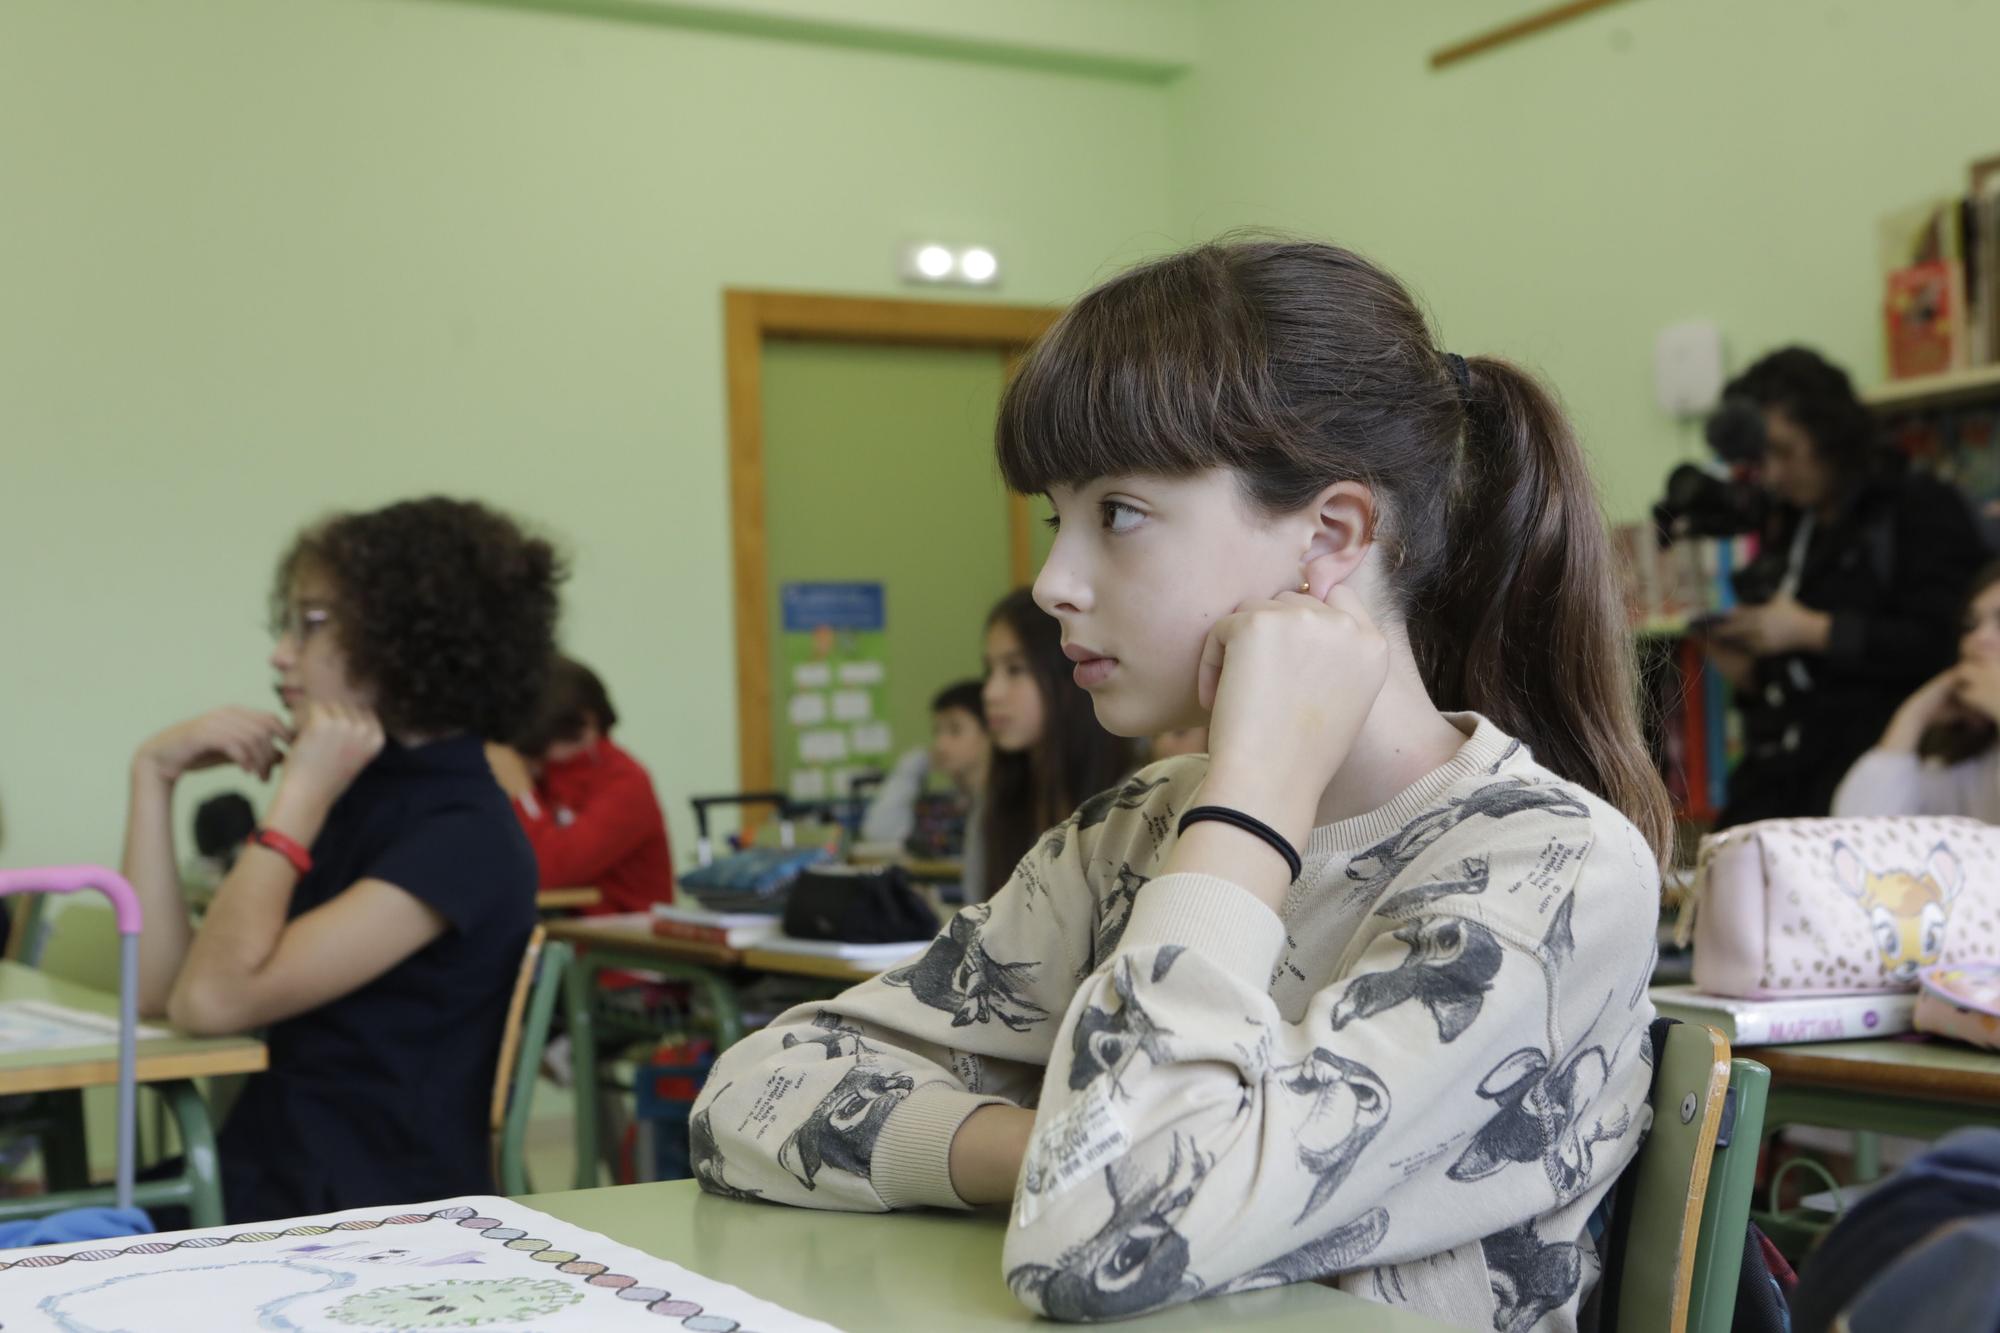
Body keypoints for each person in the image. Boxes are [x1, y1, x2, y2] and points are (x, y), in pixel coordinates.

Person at [688, 239, 1669, 1329]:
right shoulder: (1131, 831)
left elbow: (1105, 1237)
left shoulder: (1551, 870)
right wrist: (1046, 1145)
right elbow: (748, 1096)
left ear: (1329, 536)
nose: (1054, 582)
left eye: (1118, 513)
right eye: (1057, 519)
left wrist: (1250, 795)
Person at [120, 496, 559, 1222]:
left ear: (410, 640)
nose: (281, 652)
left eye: (313, 623)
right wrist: (151, 775)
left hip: (362, 1209)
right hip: (277, 1173)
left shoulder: (463, 834)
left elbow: (211, 1002)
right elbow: (160, 993)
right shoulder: (366, 793)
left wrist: (298, 795)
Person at [1701, 347, 1985, 827]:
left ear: (1828, 434)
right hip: (1785, 768)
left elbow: (1947, 644)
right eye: (1761, 458)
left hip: (1881, 770)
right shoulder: (1792, 523)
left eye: (1785, 451)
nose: (1772, 472)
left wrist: (1811, 630)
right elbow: (1801, 680)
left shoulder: (1918, 507)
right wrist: (1750, 673)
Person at [977, 587, 1137, 899]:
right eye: (989, 670)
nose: (990, 692)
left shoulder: (1132, 803)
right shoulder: (996, 804)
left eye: (1015, 670)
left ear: (1069, 675)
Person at [489, 656, 676, 912]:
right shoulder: (548, 770)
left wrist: (522, 794)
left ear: (587, 724)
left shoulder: (625, 782)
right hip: (564, 930)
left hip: (624, 940)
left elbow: (547, 873)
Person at [1833, 561, 2000, 820]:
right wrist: (1913, 715)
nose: (1978, 638)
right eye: (1970, 625)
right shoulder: (1963, 760)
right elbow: (1863, 834)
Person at [859, 680, 991, 880]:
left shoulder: (1003, 808)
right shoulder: (945, 808)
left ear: (992, 734)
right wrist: (915, 764)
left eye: (955, 730)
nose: (940, 744)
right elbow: (879, 831)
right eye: (936, 731)